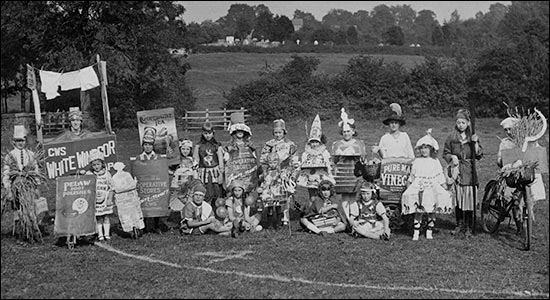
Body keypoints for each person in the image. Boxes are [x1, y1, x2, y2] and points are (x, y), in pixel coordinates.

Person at [401, 129, 453, 240]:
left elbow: (439, 176)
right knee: (419, 210)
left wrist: (445, 188)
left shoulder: (435, 162)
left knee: (431, 210)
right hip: (419, 186)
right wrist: (409, 186)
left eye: (426, 148)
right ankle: (416, 232)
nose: (424, 151)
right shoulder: (417, 161)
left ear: (431, 149)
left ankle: (429, 230)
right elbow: (412, 176)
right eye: (422, 148)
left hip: (431, 187)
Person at [443, 108, 483, 237]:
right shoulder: (452, 137)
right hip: (457, 171)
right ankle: (460, 224)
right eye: (458, 122)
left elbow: (478, 155)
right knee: (459, 199)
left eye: (463, 122)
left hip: (470, 172)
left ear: (468, 123)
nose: (460, 125)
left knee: (469, 199)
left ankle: (470, 225)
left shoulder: (472, 137)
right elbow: (445, 152)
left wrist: (475, 143)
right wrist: (451, 157)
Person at [2, 125, 46, 241]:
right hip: (16, 186)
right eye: (18, 141)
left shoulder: (30, 154)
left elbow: (35, 170)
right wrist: (8, 188)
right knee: (18, 209)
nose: (20, 143)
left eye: (22, 140)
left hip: (28, 185)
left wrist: (37, 185)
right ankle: (20, 232)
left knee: (30, 208)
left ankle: (32, 231)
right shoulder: (10, 156)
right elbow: (6, 173)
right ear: (13, 142)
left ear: (25, 141)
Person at [332, 108, 366, 208]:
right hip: (342, 173)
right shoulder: (337, 144)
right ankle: (346, 217)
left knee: (354, 197)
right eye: (344, 132)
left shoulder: (359, 143)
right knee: (344, 197)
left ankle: (353, 217)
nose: (346, 134)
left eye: (348, 131)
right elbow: (334, 160)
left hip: (354, 172)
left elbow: (363, 158)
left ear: (353, 131)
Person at [296, 114, 335, 202]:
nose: (314, 144)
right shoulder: (306, 152)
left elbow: (328, 162)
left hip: (321, 175)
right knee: (312, 196)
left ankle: (322, 210)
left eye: (316, 142)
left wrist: (327, 166)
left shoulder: (324, 152)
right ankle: (312, 212)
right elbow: (303, 162)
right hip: (310, 175)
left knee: (322, 194)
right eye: (312, 142)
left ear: (320, 142)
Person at [223, 112, 259, 195]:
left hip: (248, 173)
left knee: (247, 192)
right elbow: (226, 159)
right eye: (237, 130)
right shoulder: (230, 146)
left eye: (242, 130)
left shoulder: (250, 145)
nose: (240, 132)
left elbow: (255, 158)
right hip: (235, 174)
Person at [137, 129, 166, 233]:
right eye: (145, 145)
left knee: (156, 203)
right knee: (144, 203)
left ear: (153, 146)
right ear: (143, 146)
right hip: (144, 184)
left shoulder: (158, 157)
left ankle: (156, 225)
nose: (147, 147)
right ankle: (143, 226)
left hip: (155, 183)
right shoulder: (139, 158)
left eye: (150, 145)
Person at [257, 152, 295, 228]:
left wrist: (285, 177)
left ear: (278, 162)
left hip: (278, 191)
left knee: (278, 206)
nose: (272, 164)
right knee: (270, 207)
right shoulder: (266, 171)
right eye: (270, 162)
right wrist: (261, 179)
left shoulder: (279, 171)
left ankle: (278, 222)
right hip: (269, 191)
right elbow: (262, 180)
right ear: (268, 163)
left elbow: (285, 178)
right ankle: (270, 223)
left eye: (274, 162)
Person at [85, 149, 114, 241]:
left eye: (98, 164)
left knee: (106, 217)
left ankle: (107, 234)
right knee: (98, 217)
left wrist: (110, 198)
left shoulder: (107, 174)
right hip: (96, 199)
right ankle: (100, 234)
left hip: (105, 198)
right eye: (94, 165)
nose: (96, 167)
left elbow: (112, 187)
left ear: (102, 164)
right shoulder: (89, 174)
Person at [193, 121, 224, 207]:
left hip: (215, 172)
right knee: (206, 191)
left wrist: (221, 174)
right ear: (202, 133)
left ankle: (217, 211)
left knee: (217, 191)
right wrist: (195, 174)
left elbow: (220, 161)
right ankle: (205, 211)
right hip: (203, 172)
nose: (207, 135)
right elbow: (195, 160)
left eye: (209, 133)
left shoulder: (217, 146)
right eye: (205, 133)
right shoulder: (198, 146)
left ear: (213, 133)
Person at [111, 162, 144, 239]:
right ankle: (134, 228)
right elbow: (131, 185)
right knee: (132, 212)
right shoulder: (125, 175)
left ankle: (132, 229)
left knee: (128, 213)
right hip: (127, 196)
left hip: (125, 197)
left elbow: (116, 188)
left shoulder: (118, 176)